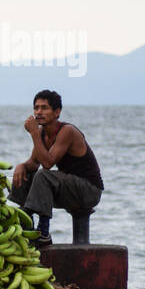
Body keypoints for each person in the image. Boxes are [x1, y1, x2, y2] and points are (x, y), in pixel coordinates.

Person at [9, 89, 104, 246]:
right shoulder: (42, 133)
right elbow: (34, 162)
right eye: (36, 108)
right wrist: (22, 166)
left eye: (44, 108)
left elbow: (47, 163)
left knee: (43, 175)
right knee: (27, 174)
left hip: (89, 191)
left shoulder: (67, 131)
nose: (39, 112)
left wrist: (33, 134)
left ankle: (43, 232)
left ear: (57, 112)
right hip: (68, 187)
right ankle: (27, 225)